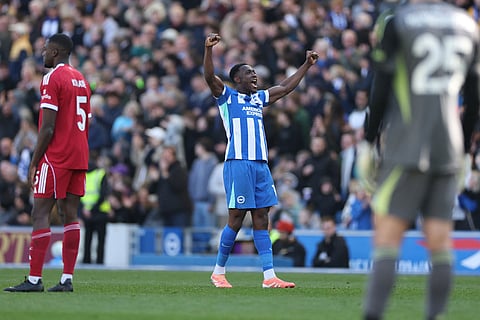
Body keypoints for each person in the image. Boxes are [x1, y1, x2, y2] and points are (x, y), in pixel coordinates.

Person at [358, 2, 480, 319]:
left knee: (386, 235)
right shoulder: (467, 25)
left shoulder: (399, 21)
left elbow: (381, 87)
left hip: (406, 144)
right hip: (449, 147)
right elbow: (475, 94)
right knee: (440, 241)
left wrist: (369, 142)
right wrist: (466, 149)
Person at [203, 32, 319, 288]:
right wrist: (208, 50)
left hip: (260, 165)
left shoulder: (258, 99)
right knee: (236, 218)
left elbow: (286, 88)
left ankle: (269, 277)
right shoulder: (227, 97)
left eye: (255, 72)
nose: (255, 76)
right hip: (238, 162)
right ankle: (218, 272)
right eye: (249, 72)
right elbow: (210, 77)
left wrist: (306, 65)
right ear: (237, 79)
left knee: (262, 217)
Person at [4, 33, 91, 292]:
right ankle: (67, 278)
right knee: (70, 215)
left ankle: (34, 279)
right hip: (79, 153)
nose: (42, 54)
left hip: (57, 155)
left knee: (40, 212)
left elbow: (48, 127)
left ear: (55, 52)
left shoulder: (52, 78)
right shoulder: (82, 79)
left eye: (44, 50)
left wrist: (34, 161)